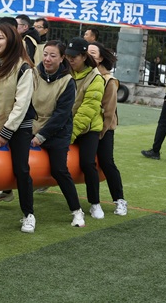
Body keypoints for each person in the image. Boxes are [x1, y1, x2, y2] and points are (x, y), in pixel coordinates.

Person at [0, 23, 37, 233]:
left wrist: (6, 132)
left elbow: (21, 104)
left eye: (1, 38)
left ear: (11, 41)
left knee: (21, 169)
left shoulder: (23, 68)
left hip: (18, 127)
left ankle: (29, 214)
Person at [31, 40, 85, 227]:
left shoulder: (68, 82)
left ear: (62, 58)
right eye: (45, 54)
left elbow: (61, 115)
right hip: (33, 126)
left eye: (53, 56)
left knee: (59, 170)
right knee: (18, 161)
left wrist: (41, 136)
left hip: (57, 132)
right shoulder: (33, 74)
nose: (47, 59)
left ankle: (77, 211)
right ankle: (4, 191)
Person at [65, 37, 105, 219]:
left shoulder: (95, 78)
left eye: (73, 57)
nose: (70, 60)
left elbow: (87, 111)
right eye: (68, 56)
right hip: (66, 124)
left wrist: (70, 135)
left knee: (88, 163)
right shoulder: (65, 71)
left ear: (83, 57)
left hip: (88, 128)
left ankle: (95, 203)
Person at [87, 42, 127, 216]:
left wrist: (100, 134)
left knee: (106, 161)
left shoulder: (108, 80)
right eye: (86, 52)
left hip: (104, 128)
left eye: (93, 53)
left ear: (101, 58)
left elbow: (109, 112)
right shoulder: (83, 74)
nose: (88, 56)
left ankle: (119, 200)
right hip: (85, 127)